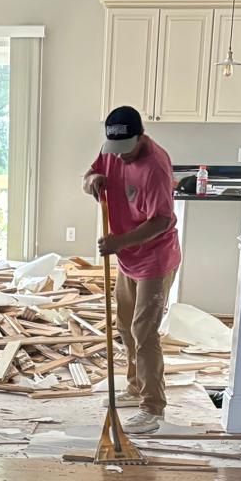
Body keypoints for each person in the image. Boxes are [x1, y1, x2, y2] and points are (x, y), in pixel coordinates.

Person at [83, 106, 181, 436]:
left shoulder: (155, 165)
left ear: (140, 137)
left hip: (155, 257)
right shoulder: (112, 149)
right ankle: (135, 385)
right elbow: (89, 176)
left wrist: (120, 240)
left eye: (127, 150)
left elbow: (163, 220)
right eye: (115, 150)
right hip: (126, 256)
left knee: (144, 331)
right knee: (124, 325)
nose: (120, 157)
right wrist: (92, 181)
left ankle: (153, 407)